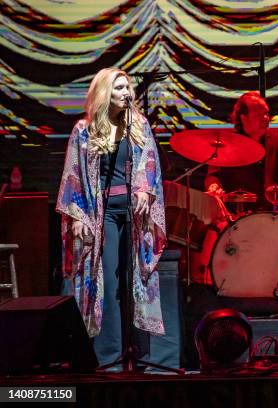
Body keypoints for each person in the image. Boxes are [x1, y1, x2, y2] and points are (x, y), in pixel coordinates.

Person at [56, 67, 166, 367]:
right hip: (101, 214)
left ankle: (141, 357)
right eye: (118, 88)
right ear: (105, 92)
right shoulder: (85, 130)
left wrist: (145, 191)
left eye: (127, 87)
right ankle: (109, 358)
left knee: (137, 282)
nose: (126, 93)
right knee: (107, 282)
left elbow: (150, 164)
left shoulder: (139, 125)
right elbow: (74, 174)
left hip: (134, 213)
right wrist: (77, 215)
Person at [205, 91, 278, 208]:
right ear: (244, 118)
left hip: (270, 211)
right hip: (234, 212)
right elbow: (213, 175)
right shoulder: (227, 142)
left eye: (266, 113)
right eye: (259, 115)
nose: (266, 118)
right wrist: (213, 186)